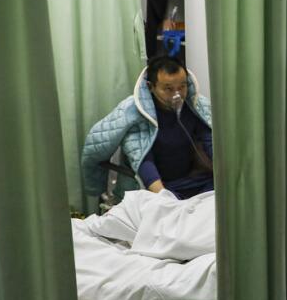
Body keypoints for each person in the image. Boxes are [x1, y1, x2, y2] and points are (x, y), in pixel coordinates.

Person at [82, 55, 214, 200]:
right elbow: (144, 160)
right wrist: (165, 199)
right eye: (168, 89)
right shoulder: (135, 112)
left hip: (190, 181)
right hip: (154, 187)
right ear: (151, 87)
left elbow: (210, 139)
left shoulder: (194, 106)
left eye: (182, 87)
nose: (177, 95)